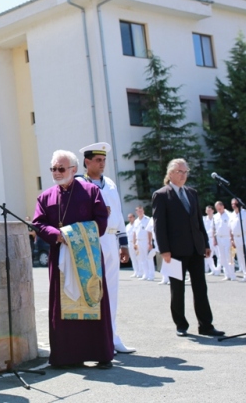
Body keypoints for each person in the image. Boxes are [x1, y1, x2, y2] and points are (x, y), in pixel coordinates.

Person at [31, 150, 113, 369]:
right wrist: (57, 235)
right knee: (63, 304)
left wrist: (72, 234)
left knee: (92, 298)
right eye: (53, 169)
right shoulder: (45, 196)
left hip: (88, 256)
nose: (56, 173)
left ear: (74, 170)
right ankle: (66, 356)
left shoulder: (91, 191)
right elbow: (37, 224)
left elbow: (101, 222)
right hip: (60, 257)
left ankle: (100, 353)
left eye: (61, 168)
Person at [152, 159, 224, 338]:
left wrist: (205, 243)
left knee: (201, 288)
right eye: (179, 172)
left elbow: (198, 221)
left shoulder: (192, 193)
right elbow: (159, 226)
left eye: (185, 172)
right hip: (174, 252)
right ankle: (181, 324)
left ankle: (206, 325)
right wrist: (164, 250)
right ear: (170, 174)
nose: (183, 175)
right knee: (178, 289)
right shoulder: (161, 195)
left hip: (195, 248)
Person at [78, 142, 135, 354]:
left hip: (111, 240)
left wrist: (123, 243)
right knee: (91, 291)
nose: (102, 164)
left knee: (112, 290)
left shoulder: (109, 183)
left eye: (104, 160)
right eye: (98, 160)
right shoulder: (79, 184)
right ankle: (92, 340)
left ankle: (112, 336)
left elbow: (118, 214)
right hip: (92, 240)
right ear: (87, 162)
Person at [213, 201, 235, 281]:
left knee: (229, 257)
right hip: (219, 238)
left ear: (223, 206)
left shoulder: (229, 215)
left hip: (227, 238)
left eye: (219, 208)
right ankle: (227, 274)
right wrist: (214, 239)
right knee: (222, 257)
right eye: (217, 208)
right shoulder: (215, 216)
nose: (218, 210)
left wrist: (232, 239)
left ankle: (232, 275)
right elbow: (214, 228)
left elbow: (232, 228)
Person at [133, 206, 155, 281]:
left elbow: (150, 231)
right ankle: (145, 274)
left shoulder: (147, 219)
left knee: (149, 257)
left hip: (146, 240)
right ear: (136, 212)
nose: (140, 212)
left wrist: (150, 242)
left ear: (143, 211)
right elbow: (135, 233)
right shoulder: (136, 221)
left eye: (141, 211)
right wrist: (135, 243)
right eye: (138, 211)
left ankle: (151, 275)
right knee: (142, 258)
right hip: (139, 241)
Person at [203, 206, 218, 275]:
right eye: (207, 210)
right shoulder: (204, 219)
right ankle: (213, 269)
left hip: (215, 238)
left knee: (219, 255)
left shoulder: (216, 218)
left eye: (210, 210)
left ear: (213, 211)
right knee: (208, 255)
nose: (208, 212)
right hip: (207, 238)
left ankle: (218, 269)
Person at [126, 212, 141, 279]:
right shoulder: (127, 226)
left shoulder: (137, 224)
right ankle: (136, 271)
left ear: (134, 217)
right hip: (129, 243)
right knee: (133, 258)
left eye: (131, 217)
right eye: (129, 217)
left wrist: (135, 243)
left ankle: (140, 272)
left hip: (136, 243)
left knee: (138, 258)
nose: (130, 218)